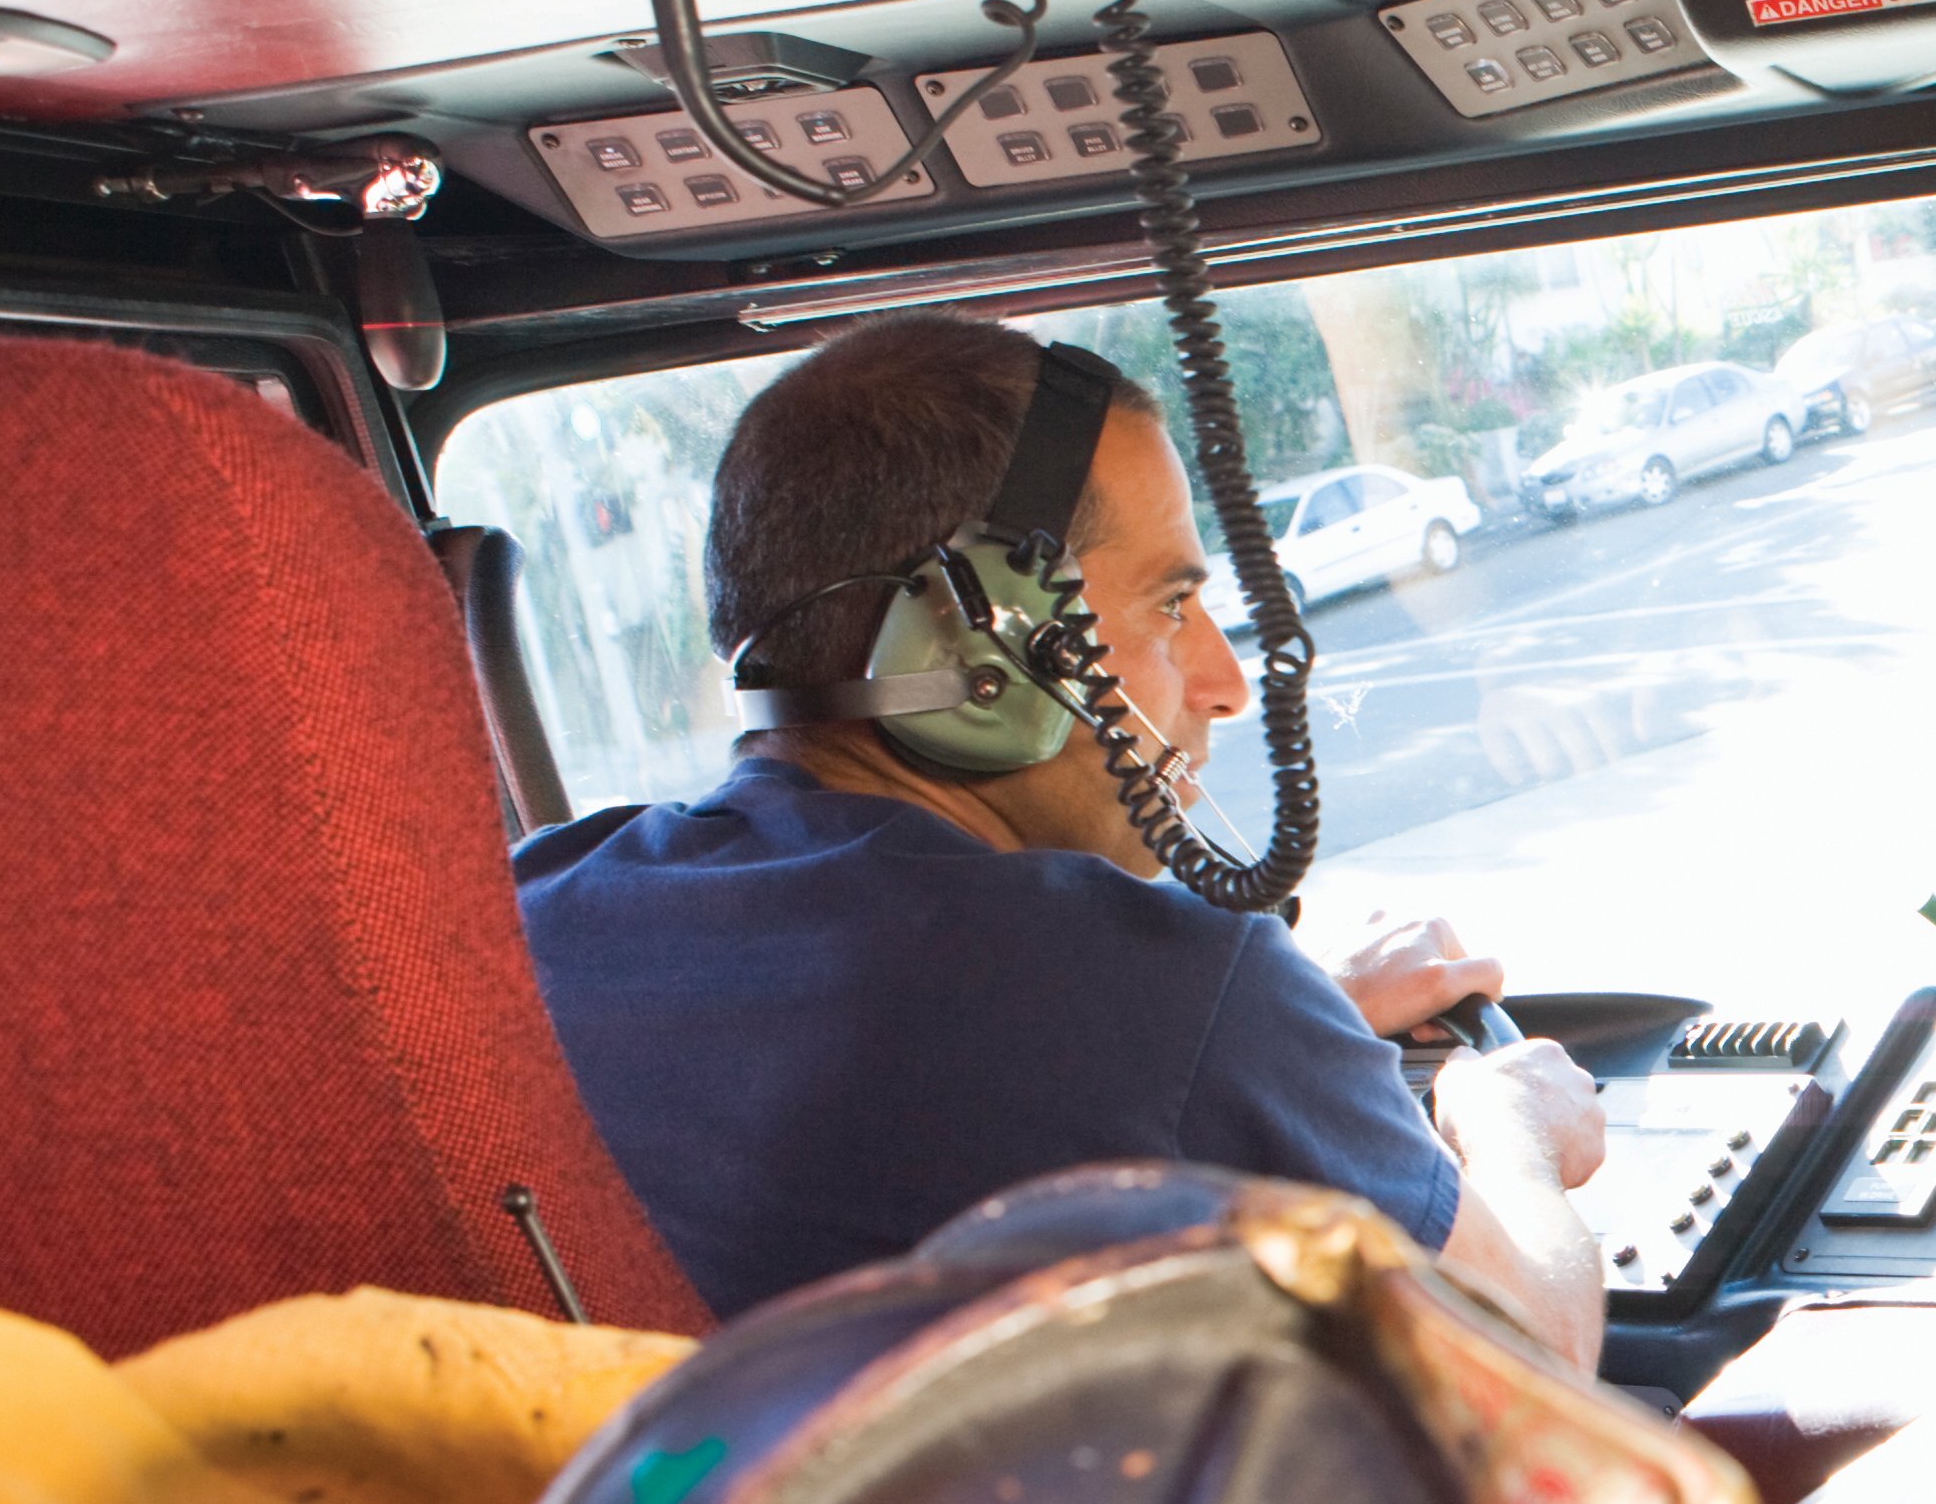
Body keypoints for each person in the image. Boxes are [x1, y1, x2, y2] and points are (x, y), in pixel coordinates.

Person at [516, 314, 1612, 1354]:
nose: (1228, 686)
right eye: (1172, 604)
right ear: (983, 652)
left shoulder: (532, 910)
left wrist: (1280, 1035)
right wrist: (1503, 1122)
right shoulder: (1159, 986)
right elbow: (1536, 1355)